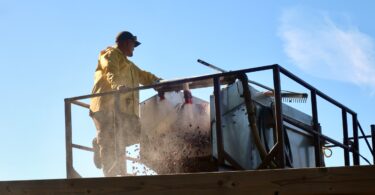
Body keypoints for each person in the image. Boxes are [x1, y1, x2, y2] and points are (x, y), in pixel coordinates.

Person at [89, 31, 161, 176]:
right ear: (126, 42)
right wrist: (117, 86)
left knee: (137, 134)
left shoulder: (129, 65)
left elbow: (143, 75)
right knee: (110, 142)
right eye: (133, 44)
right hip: (105, 106)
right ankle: (113, 176)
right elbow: (111, 71)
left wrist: (159, 82)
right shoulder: (110, 54)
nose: (134, 47)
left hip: (123, 109)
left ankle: (99, 143)